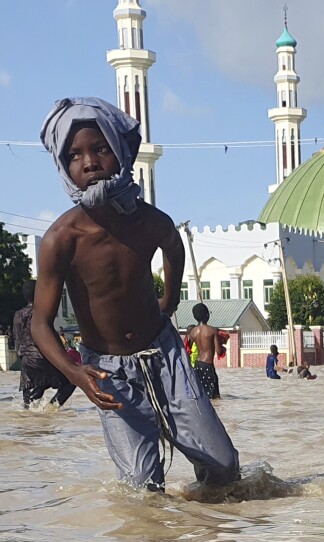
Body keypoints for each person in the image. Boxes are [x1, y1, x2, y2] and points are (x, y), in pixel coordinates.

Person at [33, 96, 240, 491]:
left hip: (164, 355)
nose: (90, 162)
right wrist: (76, 373)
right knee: (142, 492)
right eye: (75, 155)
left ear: (122, 150)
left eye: (101, 149)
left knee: (225, 468)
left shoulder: (147, 221)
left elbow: (173, 244)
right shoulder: (61, 239)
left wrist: (170, 299)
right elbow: (42, 324)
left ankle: (210, 539)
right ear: (64, 168)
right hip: (107, 370)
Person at [13, 279, 76, 408]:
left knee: (29, 403)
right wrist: (63, 356)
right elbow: (47, 335)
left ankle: (32, 423)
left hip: (25, 360)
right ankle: (52, 408)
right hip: (42, 357)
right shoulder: (40, 313)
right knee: (72, 379)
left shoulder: (17, 315)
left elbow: (17, 339)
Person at [184, 302, 223, 399]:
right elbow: (219, 351)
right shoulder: (213, 330)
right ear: (207, 315)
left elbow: (188, 349)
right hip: (208, 365)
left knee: (202, 395)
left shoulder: (193, 332)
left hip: (197, 365)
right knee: (215, 397)